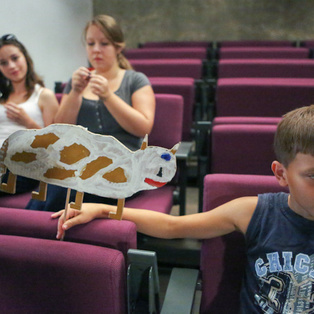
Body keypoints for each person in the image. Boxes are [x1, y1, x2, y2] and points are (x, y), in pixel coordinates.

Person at [53, 104, 314, 312]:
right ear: (281, 174)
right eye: (312, 176)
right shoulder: (256, 213)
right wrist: (101, 209)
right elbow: (172, 226)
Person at [26, 15, 155, 211]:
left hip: (123, 164)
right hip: (80, 163)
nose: (96, 50)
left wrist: (108, 96)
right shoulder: (78, 81)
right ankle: (32, 231)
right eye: (90, 43)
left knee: (71, 186)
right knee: (56, 181)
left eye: (104, 44)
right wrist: (75, 92)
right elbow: (60, 130)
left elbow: (143, 128)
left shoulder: (135, 80)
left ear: (118, 47)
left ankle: (34, 231)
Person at [0, 34, 59, 196]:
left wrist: (26, 121)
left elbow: (53, 144)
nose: (11, 66)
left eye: (15, 58)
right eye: (3, 63)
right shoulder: (2, 99)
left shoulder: (44, 95)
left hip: (24, 163)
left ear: (25, 58)